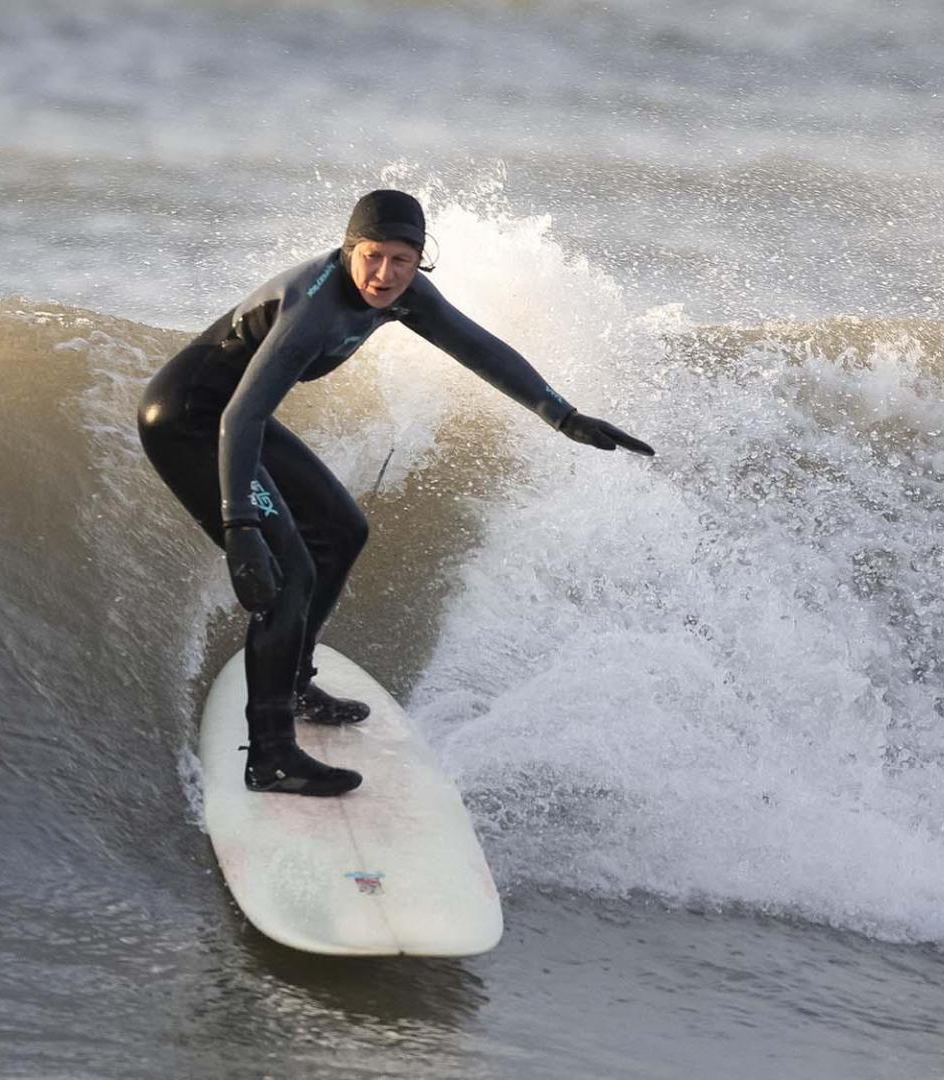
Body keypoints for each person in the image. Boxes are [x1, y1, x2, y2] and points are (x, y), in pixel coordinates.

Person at [138, 189, 654, 798]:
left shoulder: (406, 295)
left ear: (420, 261)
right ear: (349, 248)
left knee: (342, 529)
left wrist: (563, 416)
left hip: (231, 415)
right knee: (291, 574)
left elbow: (477, 346)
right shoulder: (312, 306)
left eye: (401, 261)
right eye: (373, 257)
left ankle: (294, 679)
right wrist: (241, 526)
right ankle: (271, 755)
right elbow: (239, 420)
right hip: (192, 419)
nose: (384, 276)